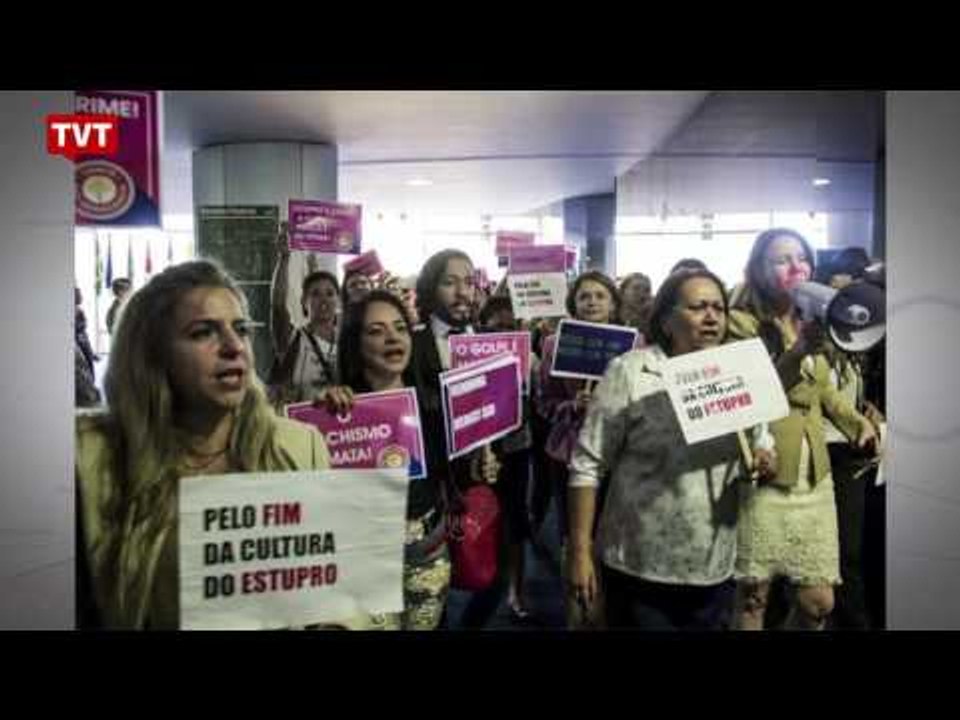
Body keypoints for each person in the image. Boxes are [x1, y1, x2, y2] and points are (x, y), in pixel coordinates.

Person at [74, 260, 382, 630]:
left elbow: (342, 593)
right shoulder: (89, 457)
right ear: (152, 353)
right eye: (204, 332)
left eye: (241, 330)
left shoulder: (300, 447)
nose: (234, 346)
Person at [568, 269, 775, 629]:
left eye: (718, 308)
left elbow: (762, 442)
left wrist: (765, 458)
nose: (711, 317)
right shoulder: (631, 372)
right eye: (697, 307)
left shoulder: (738, 371)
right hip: (638, 564)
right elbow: (587, 465)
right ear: (666, 319)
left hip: (713, 566)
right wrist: (580, 552)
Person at [727, 229, 879, 631]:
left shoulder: (812, 318)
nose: (796, 267)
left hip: (816, 476)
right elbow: (754, 393)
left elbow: (823, 387)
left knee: (819, 603)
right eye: (781, 259)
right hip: (766, 468)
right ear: (758, 269)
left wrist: (855, 421)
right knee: (753, 599)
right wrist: (796, 353)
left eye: (802, 257)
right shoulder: (741, 324)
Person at [314, 290, 456, 630]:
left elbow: (452, 473)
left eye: (399, 328)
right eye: (376, 331)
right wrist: (322, 415)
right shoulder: (338, 409)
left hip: (426, 551)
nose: (392, 337)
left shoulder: (434, 400)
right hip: (364, 557)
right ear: (356, 344)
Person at [408, 249, 500, 629]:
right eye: (450, 282)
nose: (463, 292)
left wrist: (494, 451)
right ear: (431, 289)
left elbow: (509, 413)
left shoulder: (494, 342)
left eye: (468, 281)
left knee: (492, 578)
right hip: (431, 493)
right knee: (434, 595)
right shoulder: (411, 345)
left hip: (486, 487)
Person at [535, 270, 621, 627]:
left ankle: (604, 614)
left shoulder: (633, 344)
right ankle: (576, 616)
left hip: (615, 457)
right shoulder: (555, 344)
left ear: (613, 303)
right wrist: (571, 407)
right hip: (568, 454)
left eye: (600, 296)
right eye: (585, 296)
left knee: (610, 538)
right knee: (574, 540)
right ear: (574, 303)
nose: (592, 302)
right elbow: (543, 402)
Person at [817, 249, 885, 629]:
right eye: (837, 296)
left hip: (855, 456)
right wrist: (857, 420)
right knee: (842, 556)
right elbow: (824, 397)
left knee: (851, 555)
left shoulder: (857, 346)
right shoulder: (815, 344)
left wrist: (867, 411)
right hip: (830, 453)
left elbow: (848, 398)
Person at [269, 226, 341, 404]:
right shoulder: (293, 339)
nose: (324, 299)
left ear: (338, 301)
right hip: (301, 428)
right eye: (315, 294)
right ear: (304, 301)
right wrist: (284, 258)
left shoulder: (348, 340)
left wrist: (313, 265)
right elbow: (278, 305)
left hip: (344, 429)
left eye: (330, 293)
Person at [75, 287, 101, 407]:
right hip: (78, 341)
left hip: (83, 340)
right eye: (78, 295)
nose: (81, 297)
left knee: (89, 365)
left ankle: (91, 384)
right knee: (83, 367)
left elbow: (83, 325)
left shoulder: (79, 310)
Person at [618, 272, 653, 339]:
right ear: (622, 292)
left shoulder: (652, 325)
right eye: (636, 288)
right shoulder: (609, 319)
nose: (642, 295)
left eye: (647, 290)